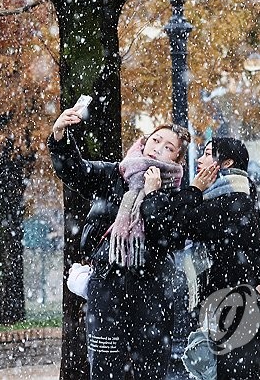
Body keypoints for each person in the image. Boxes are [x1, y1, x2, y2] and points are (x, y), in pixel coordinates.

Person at [49, 103, 218, 380]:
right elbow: (74, 170)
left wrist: (154, 195)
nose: (158, 147)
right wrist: (59, 135)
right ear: (143, 142)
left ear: (176, 161)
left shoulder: (175, 196)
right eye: (155, 140)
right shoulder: (116, 175)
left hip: (151, 292)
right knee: (105, 370)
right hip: (107, 286)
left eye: (167, 147)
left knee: (149, 371)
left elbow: (167, 236)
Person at [184, 137, 260, 380]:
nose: (200, 160)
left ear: (227, 162)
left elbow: (178, 224)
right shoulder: (240, 197)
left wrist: (193, 190)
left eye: (209, 154)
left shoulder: (230, 201)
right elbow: (259, 267)